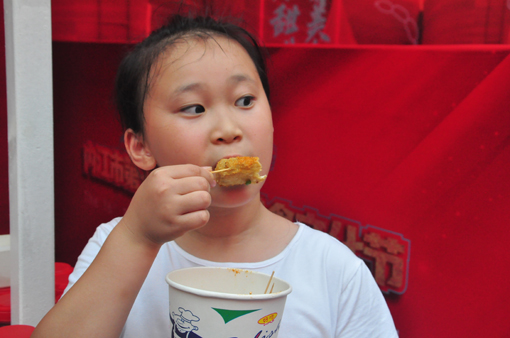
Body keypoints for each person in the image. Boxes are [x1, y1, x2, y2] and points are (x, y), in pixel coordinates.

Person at [33, 12, 398, 338]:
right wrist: (136, 239)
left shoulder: (333, 270)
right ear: (140, 147)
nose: (228, 129)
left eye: (244, 101)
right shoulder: (117, 244)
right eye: (194, 107)